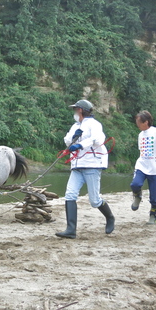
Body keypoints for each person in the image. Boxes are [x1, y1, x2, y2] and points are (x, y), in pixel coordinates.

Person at [56, 99, 115, 239]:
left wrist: (81, 145)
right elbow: (67, 140)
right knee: (70, 195)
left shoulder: (95, 125)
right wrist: (73, 136)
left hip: (92, 164)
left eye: (75, 109)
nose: (74, 112)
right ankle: (71, 229)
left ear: (80, 110)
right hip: (77, 165)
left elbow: (97, 139)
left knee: (94, 200)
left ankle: (110, 217)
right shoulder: (76, 125)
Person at [130, 110, 156, 224]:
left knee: (154, 197)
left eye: (139, 122)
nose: (137, 124)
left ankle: (153, 215)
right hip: (142, 166)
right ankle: (137, 196)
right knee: (135, 184)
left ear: (146, 122)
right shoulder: (140, 135)